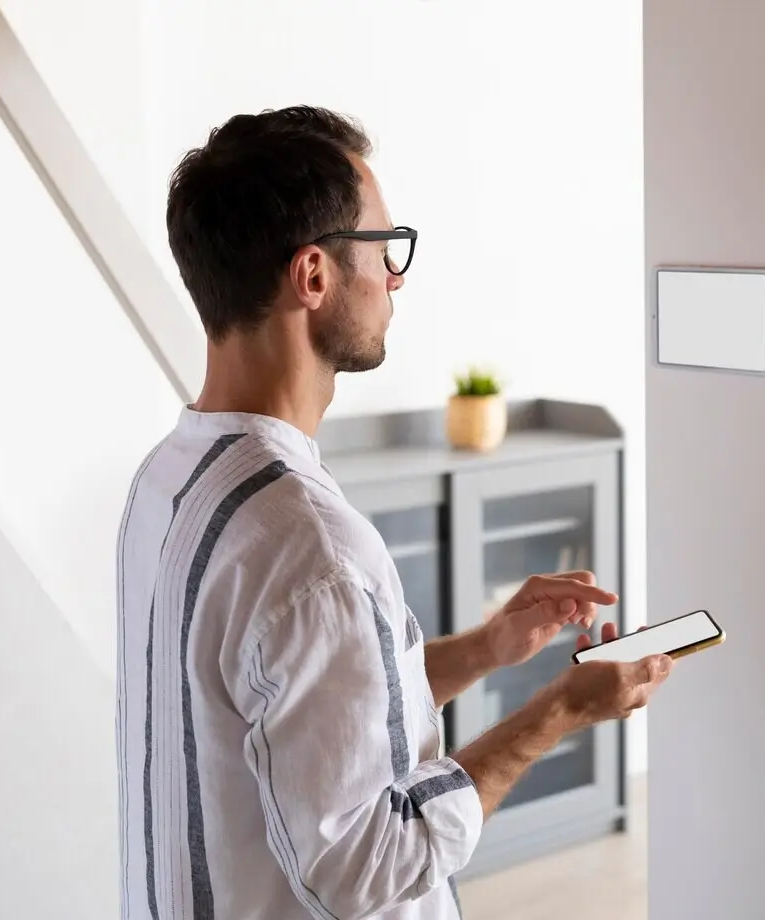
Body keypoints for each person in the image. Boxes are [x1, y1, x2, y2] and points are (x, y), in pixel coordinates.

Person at [115, 105, 673, 920]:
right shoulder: (311, 546)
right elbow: (368, 865)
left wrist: (487, 647)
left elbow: (292, 717)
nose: (397, 276)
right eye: (384, 247)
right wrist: (564, 710)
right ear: (314, 276)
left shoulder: (167, 479)